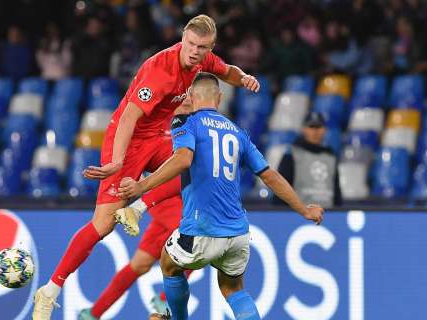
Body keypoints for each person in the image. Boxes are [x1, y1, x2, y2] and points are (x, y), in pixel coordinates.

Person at [32, 14, 261, 320]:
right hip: (128, 141)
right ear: (182, 38)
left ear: (210, 47)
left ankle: (138, 209)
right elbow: (128, 117)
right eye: (190, 43)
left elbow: (229, 71)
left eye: (202, 47)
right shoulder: (160, 70)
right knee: (102, 225)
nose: (194, 51)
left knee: (195, 164)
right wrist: (116, 161)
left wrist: (244, 77)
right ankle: (50, 289)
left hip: (158, 136)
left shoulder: (203, 62)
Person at [118, 72, 324, 320]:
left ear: (191, 97)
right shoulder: (238, 133)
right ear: (220, 98)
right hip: (237, 233)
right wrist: (304, 209)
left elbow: (183, 159)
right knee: (233, 288)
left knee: (168, 264)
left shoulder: (185, 122)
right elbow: (270, 176)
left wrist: (142, 186)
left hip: (200, 229)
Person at [274, 112, 342, 208]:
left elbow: (336, 193)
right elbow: (280, 190)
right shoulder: (291, 155)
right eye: (311, 126)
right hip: (300, 215)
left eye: (319, 127)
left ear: (325, 130)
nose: (315, 131)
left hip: (328, 215)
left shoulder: (331, 157)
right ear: (304, 129)